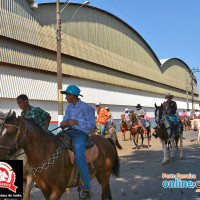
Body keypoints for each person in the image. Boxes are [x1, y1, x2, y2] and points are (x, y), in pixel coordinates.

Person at [60, 85, 95, 199]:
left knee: (79, 155)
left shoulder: (87, 108)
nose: (65, 97)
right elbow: (66, 119)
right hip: (68, 132)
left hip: (80, 134)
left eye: (66, 95)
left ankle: (86, 186)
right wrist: (63, 123)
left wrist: (77, 122)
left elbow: (91, 124)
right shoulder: (69, 107)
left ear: (72, 95)